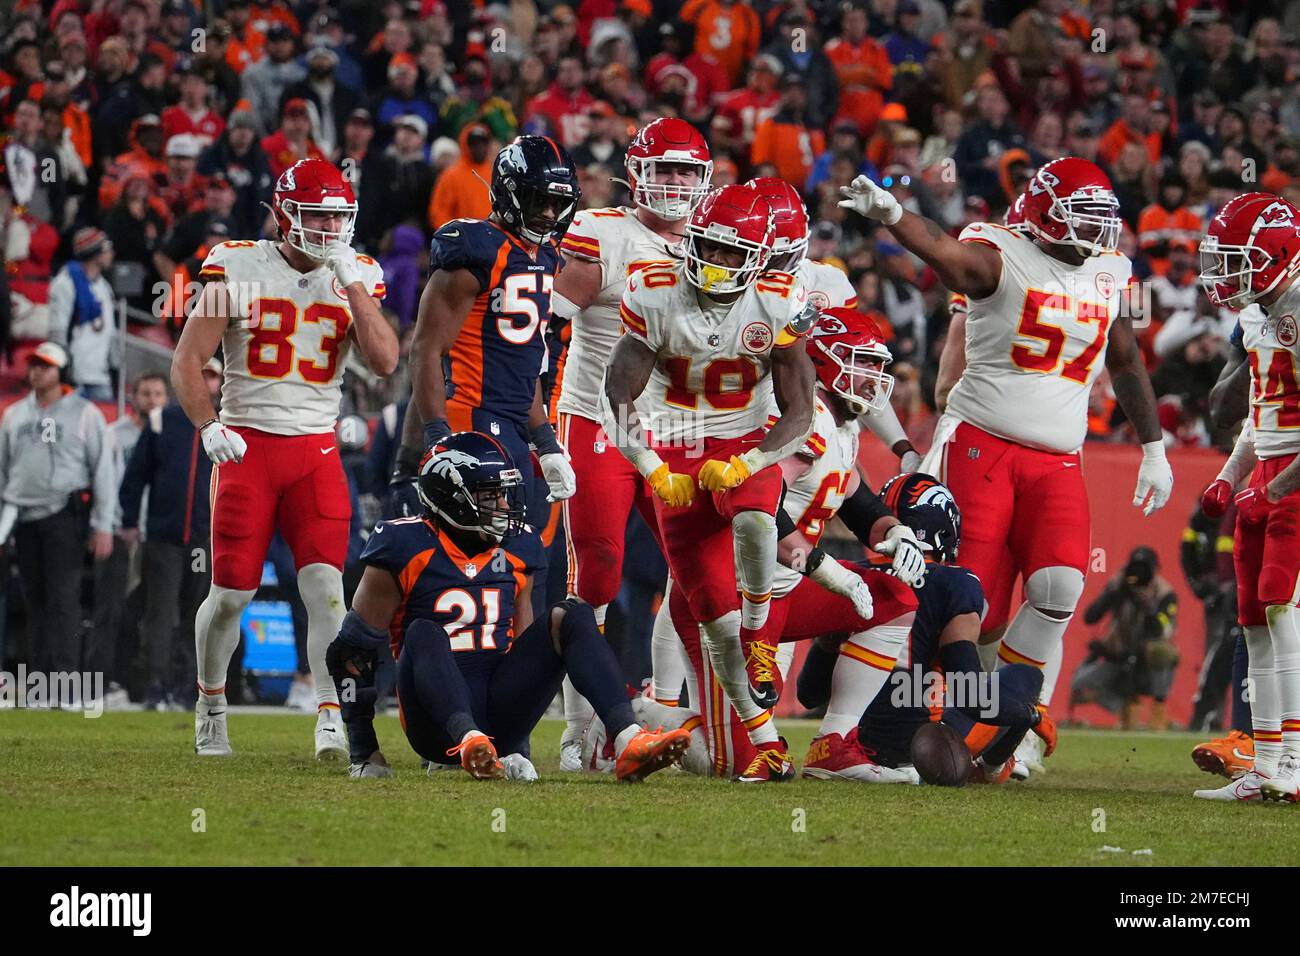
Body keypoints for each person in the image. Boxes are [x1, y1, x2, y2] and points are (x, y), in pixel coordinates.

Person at [839, 156, 1174, 776]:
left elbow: (1124, 362)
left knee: (1059, 587)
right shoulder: (1000, 253)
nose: (1096, 231)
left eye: (1103, 218)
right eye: (1083, 216)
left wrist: (1152, 447)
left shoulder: (1110, 273)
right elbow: (944, 251)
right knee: (974, 605)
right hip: (982, 445)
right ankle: (919, 727)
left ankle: (1012, 724)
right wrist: (891, 214)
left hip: (1058, 458)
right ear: (1045, 213)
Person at [633, 309, 928, 780]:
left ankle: (834, 745)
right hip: (732, 595)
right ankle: (639, 716)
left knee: (895, 598)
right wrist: (826, 568)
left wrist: (895, 532)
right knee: (729, 764)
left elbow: (857, 502)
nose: (873, 379)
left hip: (786, 591)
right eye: (862, 363)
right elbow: (765, 510)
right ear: (824, 361)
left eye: (876, 366)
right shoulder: (796, 418)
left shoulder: (841, 428)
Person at [172, 157, 399, 759]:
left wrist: (352, 284)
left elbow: (385, 361)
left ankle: (330, 715)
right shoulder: (239, 265)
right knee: (231, 595)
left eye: (338, 216)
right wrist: (208, 425)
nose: (329, 229)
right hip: (247, 446)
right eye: (317, 215)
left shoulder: (357, 273)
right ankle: (211, 701)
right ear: (284, 215)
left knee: (328, 588)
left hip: (316, 449)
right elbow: (186, 361)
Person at [601, 182, 818, 781]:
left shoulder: (779, 301)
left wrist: (749, 464)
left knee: (753, 519)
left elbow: (800, 412)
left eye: (732, 252)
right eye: (709, 247)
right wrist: (650, 468)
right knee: (711, 619)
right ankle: (767, 743)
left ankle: (759, 634)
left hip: (743, 442)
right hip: (674, 449)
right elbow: (616, 396)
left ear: (757, 257)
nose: (717, 262)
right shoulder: (655, 291)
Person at [328, 431, 690, 781]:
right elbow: (348, 654)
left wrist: (517, 747)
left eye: (504, 495)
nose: (505, 505)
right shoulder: (403, 545)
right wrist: (364, 749)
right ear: (452, 497)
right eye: (491, 496)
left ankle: (627, 738)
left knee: (572, 614)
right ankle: (468, 742)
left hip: (500, 709)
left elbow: (521, 643)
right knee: (423, 631)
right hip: (433, 725)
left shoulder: (518, 545)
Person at [548, 117, 712, 770]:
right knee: (597, 574)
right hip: (599, 421)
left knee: (696, 572)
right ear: (636, 173)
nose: (673, 183)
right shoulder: (602, 231)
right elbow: (544, 326)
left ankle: (660, 704)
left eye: (685, 171)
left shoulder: (715, 241)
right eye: (663, 169)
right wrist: (538, 423)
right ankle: (578, 729)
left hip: (677, 428)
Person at [394, 136, 581, 590]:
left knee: (520, 572)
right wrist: (437, 435)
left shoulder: (547, 255)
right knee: (454, 572)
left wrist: (546, 441)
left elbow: (528, 362)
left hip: (514, 427)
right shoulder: (475, 248)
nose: (549, 216)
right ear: (510, 193)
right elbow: (425, 349)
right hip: (470, 422)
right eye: (540, 203)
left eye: (558, 205)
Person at [795, 472, 1057, 784]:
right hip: (924, 743)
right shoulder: (955, 583)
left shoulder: (851, 576)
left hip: (854, 743)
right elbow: (968, 693)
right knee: (1024, 676)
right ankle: (993, 768)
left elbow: (809, 693)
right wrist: (1029, 715)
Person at [1195, 192, 1300, 802]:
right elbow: (1262, 419)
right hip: (1266, 470)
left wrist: (1278, 489)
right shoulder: (1261, 314)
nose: (1226, 273)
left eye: (1237, 259)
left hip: (1293, 479)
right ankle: (1263, 765)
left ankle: (1293, 758)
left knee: (1285, 615)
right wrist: (1231, 477)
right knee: (1255, 623)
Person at [0, 342, 116, 692]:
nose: (37, 371)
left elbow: (103, 472)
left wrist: (103, 524)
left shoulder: (85, 413)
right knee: (34, 600)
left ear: (62, 372)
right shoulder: (14, 414)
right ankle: (40, 682)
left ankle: (65, 684)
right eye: (34, 365)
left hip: (65, 513)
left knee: (63, 599)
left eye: (46, 366)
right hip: (22, 515)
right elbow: (3, 470)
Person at [119, 360, 222, 710]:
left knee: (198, 614)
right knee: (160, 613)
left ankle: (188, 686)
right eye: (201, 374)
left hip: (203, 540)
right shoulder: (163, 420)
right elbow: (136, 476)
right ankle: (155, 685)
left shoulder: (231, 423)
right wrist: (131, 520)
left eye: (212, 375)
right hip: (164, 537)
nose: (206, 382)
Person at [1071, 546, 1179, 731]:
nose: (1138, 576)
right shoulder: (1119, 587)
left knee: (1163, 653)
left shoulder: (1165, 594)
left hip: (1147, 661)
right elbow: (1090, 617)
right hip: (1118, 656)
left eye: (1143, 570)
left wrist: (1149, 607)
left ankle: (1158, 711)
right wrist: (1112, 592)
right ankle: (1123, 706)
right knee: (1080, 683)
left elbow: (1161, 630)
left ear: (1154, 570)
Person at [48, 227, 118, 402]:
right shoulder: (64, 284)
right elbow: (57, 331)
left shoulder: (104, 286)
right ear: (95, 254)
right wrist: (62, 371)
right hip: (75, 375)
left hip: (100, 375)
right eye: (107, 249)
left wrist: (114, 367)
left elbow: (110, 333)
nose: (111, 254)